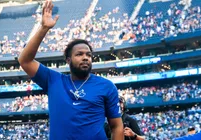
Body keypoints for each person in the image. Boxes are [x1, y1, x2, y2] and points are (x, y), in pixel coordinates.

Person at [18, 0, 124, 140]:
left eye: (88, 55)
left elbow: (116, 126)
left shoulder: (106, 86)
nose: (85, 58)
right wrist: (44, 28)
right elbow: (25, 60)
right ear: (68, 60)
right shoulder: (53, 80)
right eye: (79, 54)